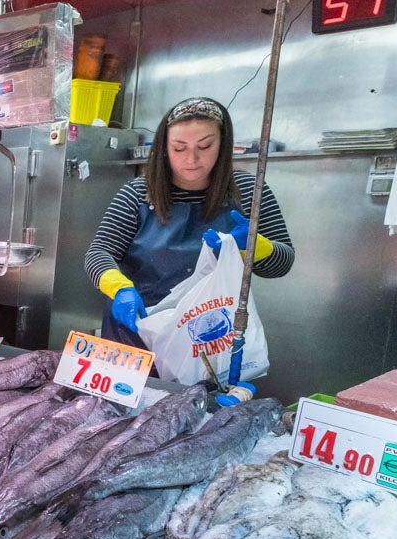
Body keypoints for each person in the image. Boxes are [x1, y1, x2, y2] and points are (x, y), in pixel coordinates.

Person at [83, 97, 295, 350]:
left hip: (211, 335)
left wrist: (255, 247)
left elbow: (283, 263)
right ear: (164, 147)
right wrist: (119, 289)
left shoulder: (250, 192)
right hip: (137, 329)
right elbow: (99, 252)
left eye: (205, 146)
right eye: (179, 148)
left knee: (201, 391)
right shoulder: (137, 192)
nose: (191, 159)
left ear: (223, 144)